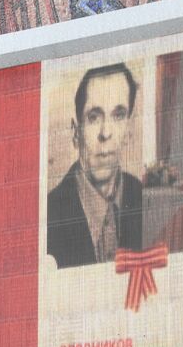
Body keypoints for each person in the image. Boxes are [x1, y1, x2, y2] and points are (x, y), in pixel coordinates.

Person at [46, 63, 144, 268]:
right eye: (93, 117)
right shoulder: (48, 215)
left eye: (118, 115)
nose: (106, 132)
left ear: (128, 129)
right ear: (76, 132)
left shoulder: (141, 196)